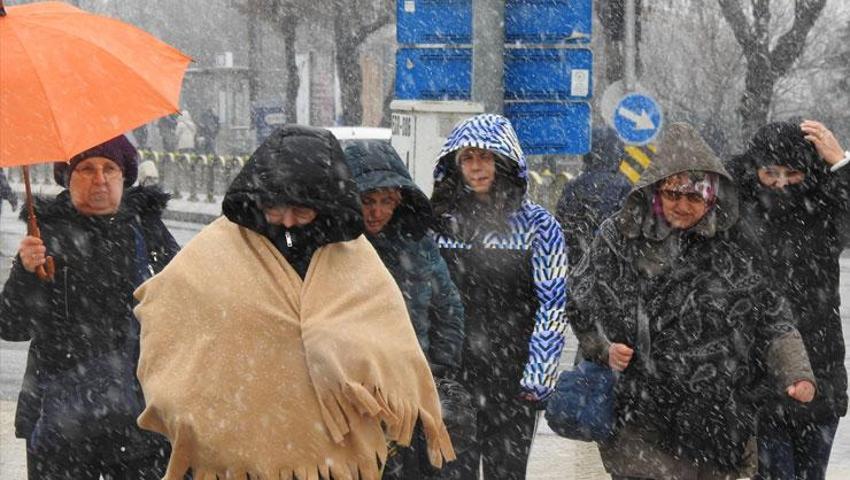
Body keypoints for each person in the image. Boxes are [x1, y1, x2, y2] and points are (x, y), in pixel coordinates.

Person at [131, 125, 455, 479]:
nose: (287, 221)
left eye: (302, 210)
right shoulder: (217, 250)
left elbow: (391, 341)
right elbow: (168, 317)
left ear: (326, 206)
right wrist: (184, 406)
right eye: (275, 208)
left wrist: (340, 353)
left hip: (334, 453)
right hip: (241, 445)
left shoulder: (353, 258)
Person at [569, 122, 817, 480]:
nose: (682, 206)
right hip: (641, 413)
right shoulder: (621, 235)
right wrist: (602, 347)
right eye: (673, 194)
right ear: (656, 191)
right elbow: (579, 297)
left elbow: (772, 315)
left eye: (695, 197)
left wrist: (796, 372)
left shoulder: (737, 243)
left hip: (719, 418)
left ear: (713, 196)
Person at [0, 135, 179, 479]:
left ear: (124, 176)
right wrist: (25, 273)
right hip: (59, 421)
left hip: (140, 417)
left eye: (109, 168)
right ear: (67, 178)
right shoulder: (44, 236)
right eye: (85, 169)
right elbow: (12, 327)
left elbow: (186, 309)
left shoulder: (148, 231)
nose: (99, 179)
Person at [429, 113, 568, 478]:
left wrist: (538, 375)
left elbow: (552, 303)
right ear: (455, 165)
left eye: (486, 157)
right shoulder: (437, 224)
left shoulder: (540, 227)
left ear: (504, 161)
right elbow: (421, 299)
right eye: (468, 159)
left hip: (513, 381)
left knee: (505, 473)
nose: (476, 167)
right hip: (451, 378)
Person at [726, 120, 849, 480]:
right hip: (755, 374)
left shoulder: (824, 210)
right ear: (755, 169)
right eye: (770, 172)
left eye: (792, 173)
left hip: (819, 368)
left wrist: (841, 164)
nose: (780, 183)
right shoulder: (733, 209)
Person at [343, 140, 466, 479]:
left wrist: (438, 370)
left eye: (386, 202)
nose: (377, 212)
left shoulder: (418, 244)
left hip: (409, 391)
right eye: (367, 201)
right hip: (351, 396)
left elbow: (448, 309)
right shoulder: (334, 248)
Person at [556, 126, 632, 270]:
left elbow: (561, 225)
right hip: (610, 263)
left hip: (576, 262)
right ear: (618, 155)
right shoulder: (625, 187)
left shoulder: (573, 186)